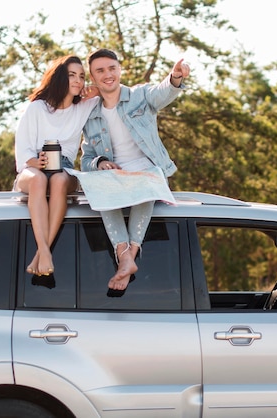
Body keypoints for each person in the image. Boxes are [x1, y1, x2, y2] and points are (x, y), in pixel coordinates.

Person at [80, 49, 190, 291]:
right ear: (93, 76)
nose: (107, 74)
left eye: (111, 68)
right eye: (100, 70)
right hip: (115, 178)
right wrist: (99, 162)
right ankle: (126, 257)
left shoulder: (139, 95)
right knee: (100, 185)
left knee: (146, 180)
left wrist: (175, 77)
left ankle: (127, 258)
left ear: (120, 69)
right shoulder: (90, 114)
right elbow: (86, 158)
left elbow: (161, 93)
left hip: (146, 173)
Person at [14, 55, 99, 276]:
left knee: (60, 179)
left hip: (65, 167)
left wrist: (93, 88)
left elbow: (109, 87)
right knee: (39, 179)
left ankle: (40, 254)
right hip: (33, 167)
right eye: (72, 75)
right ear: (60, 77)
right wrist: (35, 161)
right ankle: (44, 250)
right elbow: (22, 149)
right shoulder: (37, 108)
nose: (78, 80)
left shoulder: (82, 107)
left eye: (82, 76)